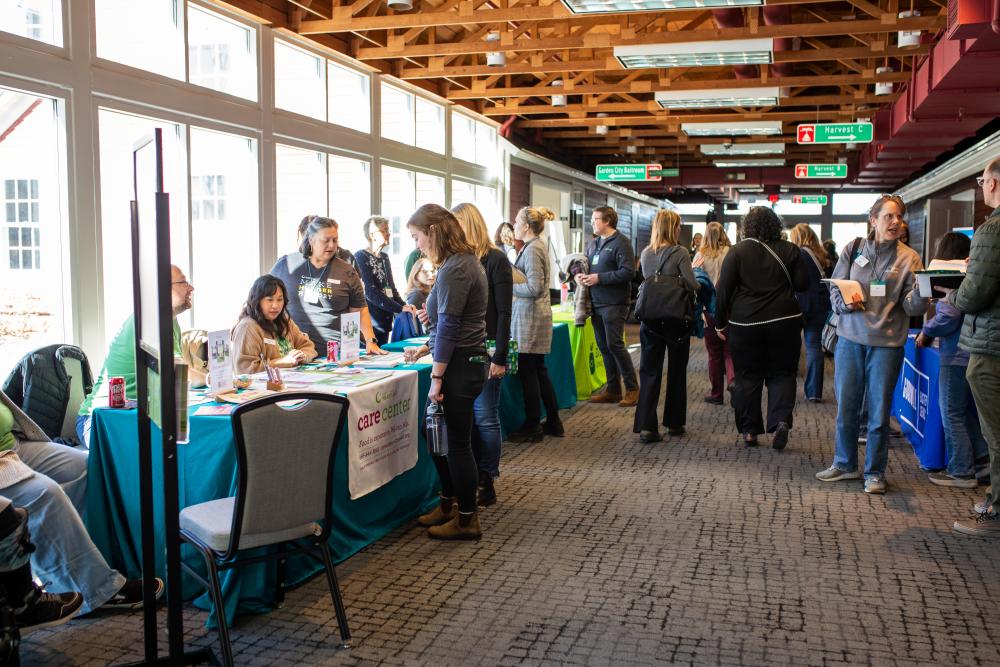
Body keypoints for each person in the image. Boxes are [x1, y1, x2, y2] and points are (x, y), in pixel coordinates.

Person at [3, 389, 162, 614]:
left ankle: (97, 559)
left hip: (13, 447)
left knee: (87, 466)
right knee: (45, 494)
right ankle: (94, 591)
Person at [816, 194, 927, 494]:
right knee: (847, 406)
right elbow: (835, 288)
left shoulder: (909, 258)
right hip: (850, 339)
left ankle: (874, 473)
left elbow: (912, 307)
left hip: (887, 344)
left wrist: (923, 294)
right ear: (873, 219)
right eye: (889, 216)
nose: (895, 222)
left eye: (899, 217)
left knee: (878, 413)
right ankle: (844, 463)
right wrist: (843, 305)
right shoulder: (853, 249)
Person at [402, 204, 488, 540]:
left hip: (460, 366)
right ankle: (449, 502)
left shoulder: (456, 268)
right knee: (434, 433)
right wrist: (429, 342)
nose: (417, 245)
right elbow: (448, 322)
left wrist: (436, 377)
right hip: (460, 360)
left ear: (434, 231)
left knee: (456, 444)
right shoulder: (458, 264)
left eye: (417, 237)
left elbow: (453, 326)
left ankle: (467, 519)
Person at [715, 207, 809, 449]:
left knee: (747, 377)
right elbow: (802, 284)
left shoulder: (737, 252)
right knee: (783, 373)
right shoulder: (791, 250)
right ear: (776, 225)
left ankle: (749, 431)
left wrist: (719, 323)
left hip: (746, 324)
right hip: (785, 322)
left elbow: (723, 291)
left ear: (748, 227)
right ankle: (779, 422)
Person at [76, 264, 194, 448]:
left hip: (132, 414)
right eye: (184, 282)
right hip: (100, 422)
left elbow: (179, 374)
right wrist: (218, 381)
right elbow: (179, 374)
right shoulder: (151, 321)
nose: (191, 288)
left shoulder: (169, 320)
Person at [452, 203, 514, 506]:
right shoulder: (457, 262)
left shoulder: (496, 261)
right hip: (463, 350)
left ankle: (487, 479)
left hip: (489, 349)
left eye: (456, 225)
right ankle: (472, 476)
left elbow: (504, 313)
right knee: (468, 419)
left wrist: (500, 357)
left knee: (486, 417)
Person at [951, 158, 1000, 535]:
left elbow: (974, 296)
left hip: (991, 348)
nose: (982, 186)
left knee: (996, 434)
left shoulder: (991, 231)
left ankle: (995, 513)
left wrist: (957, 288)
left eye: (982, 180)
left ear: (994, 185)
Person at [916, 233, 988, 489]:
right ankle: (983, 461)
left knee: (952, 412)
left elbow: (949, 315)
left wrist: (927, 330)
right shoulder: (976, 277)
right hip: (974, 351)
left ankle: (961, 471)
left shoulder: (953, 279)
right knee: (968, 412)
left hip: (955, 355)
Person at [270, 215, 385, 356]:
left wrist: (370, 341)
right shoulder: (286, 264)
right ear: (311, 239)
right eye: (326, 240)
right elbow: (261, 295)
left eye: (335, 240)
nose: (331, 245)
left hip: (334, 354)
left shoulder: (347, 271)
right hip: (292, 352)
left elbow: (360, 310)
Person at [633, 210, 698, 444]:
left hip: (650, 319)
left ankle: (647, 427)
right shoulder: (680, 252)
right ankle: (674, 422)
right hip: (675, 319)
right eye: (679, 225)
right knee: (677, 370)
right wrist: (694, 278)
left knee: (649, 371)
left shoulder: (646, 252)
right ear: (673, 227)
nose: (680, 229)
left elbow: (647, 280)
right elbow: (691, 284)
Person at [509, 207, 563, 441]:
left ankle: (533, 425)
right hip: (533, 317)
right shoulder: (535, 246)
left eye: (517, 221)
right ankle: (552, 420)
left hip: (530, 319)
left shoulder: (532, 250)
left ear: (527, 226)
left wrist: (506, 287)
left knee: (529, 372)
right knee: (538, 371)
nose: (514, 224)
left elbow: (534, 287)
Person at [578, 206, 638, 406]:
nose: (592, 222)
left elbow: (628, 272)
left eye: (595, 219)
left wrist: (599, 278)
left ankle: (632, 389)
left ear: (607, 221)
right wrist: (579, 274)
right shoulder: (594, 243)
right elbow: (585, 264)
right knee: (604, 347)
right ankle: (613, 390)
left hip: (614, 303)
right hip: (595, 302)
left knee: (615, 345)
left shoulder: (622, 243)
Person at [231, 274, 317, 374]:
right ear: (257, 300)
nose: (275, 305)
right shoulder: (248, 327)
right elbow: (245, 369)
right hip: (263, 387)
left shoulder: (284, 320)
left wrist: (302, 355)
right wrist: (280, 362)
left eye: (280, 299)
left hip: (289, 382)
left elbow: (308, 346)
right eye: (270, 300)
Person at [354, 216, 417, 345]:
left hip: (385, 321)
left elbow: (391, 288)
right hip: (370, 323)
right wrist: (399, 308)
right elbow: (370, 292)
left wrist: (404, 305)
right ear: (372, 235)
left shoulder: (384, 257)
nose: (389, 233)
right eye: (384, 230)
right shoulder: (361, 256)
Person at [789, 224, 832, 402]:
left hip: (799, 306)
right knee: (814, 347)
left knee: (792, 346)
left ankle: (787, 387)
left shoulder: (798, 254)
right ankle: (814, 392)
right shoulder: (822, 256)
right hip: (820, 306)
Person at [692, 222, 733, 405]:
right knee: (730, 351)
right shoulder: (731, 254)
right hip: (730, 309)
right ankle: (733, 381)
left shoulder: (700, 255)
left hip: (709, 309)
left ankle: (716, 394)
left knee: (714, 354)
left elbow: (694, 283)